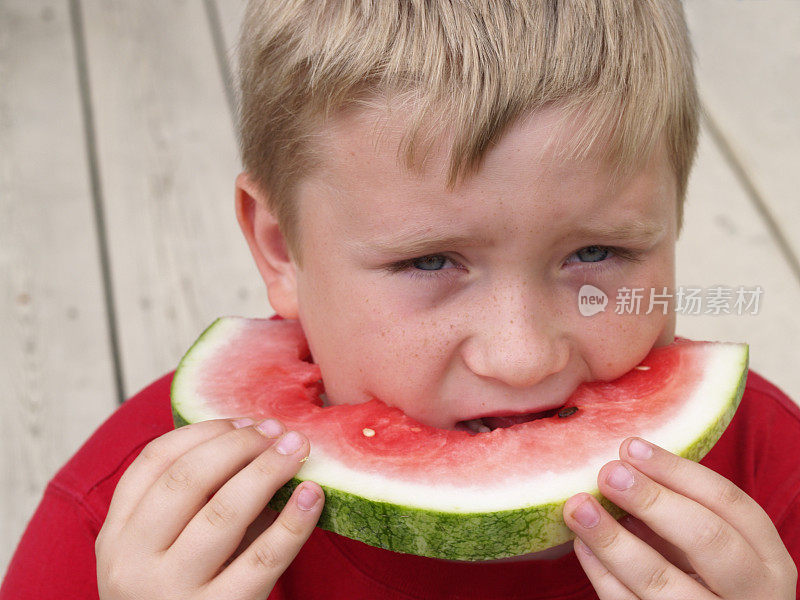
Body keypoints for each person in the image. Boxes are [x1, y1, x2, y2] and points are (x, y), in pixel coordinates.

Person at [2, 1, 798, 598]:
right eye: (429, 261)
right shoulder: (128, 530)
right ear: (281, 248)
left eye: (599, 252)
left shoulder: (772, 475)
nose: (522, 356)